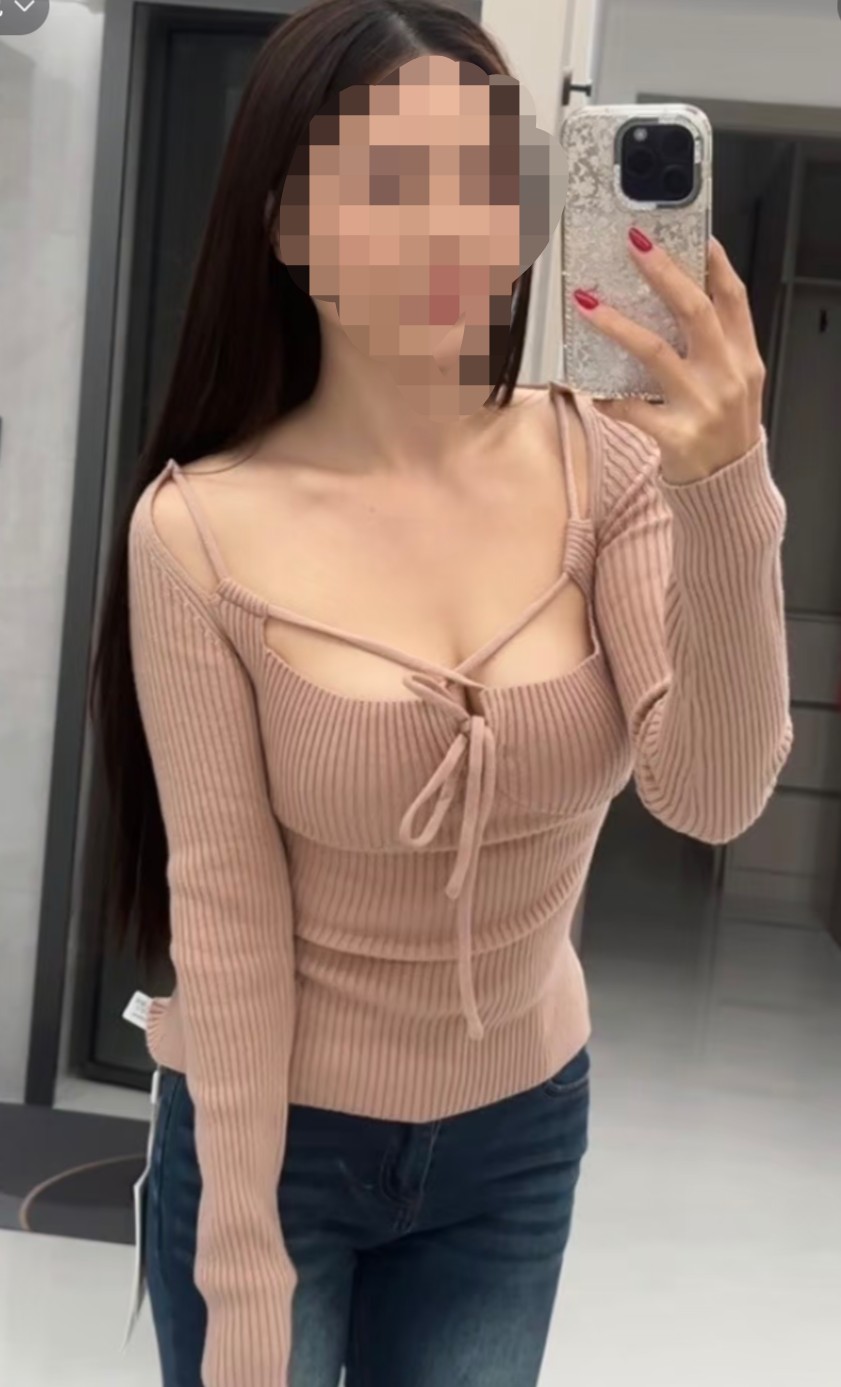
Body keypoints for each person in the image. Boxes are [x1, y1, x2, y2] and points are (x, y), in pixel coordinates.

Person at [89, 2, 792, 1385]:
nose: (445, 233)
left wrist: (723, 487)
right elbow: (227, 922)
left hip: (518, 1137)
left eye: (481, 180)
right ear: (285, 225)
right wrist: (244, 1279)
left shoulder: (605, 465)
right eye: (388, 184)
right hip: (271, 1140)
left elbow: (711, 796)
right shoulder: (197, 533)